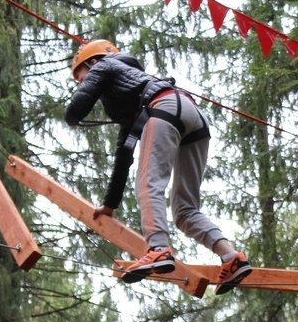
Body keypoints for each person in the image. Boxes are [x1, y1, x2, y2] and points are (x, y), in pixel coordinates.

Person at [64, 39, 251, 293]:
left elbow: (75, 109)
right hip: (192, 115)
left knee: (148, 183)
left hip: (164, 109)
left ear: (92, 62)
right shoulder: (131, 93)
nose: (81, 82)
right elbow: (123, 156)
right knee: (185, 211)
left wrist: (72, 116)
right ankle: (231, 257)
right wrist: (110, 205)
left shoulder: (104, 65)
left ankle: (159, 249)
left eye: (81, 75)